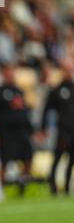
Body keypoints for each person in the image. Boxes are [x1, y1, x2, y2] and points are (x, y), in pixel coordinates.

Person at [0, 64, 34, 194]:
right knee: (4, 161)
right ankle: (0, 189)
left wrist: (31, 130)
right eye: (8, 71)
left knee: (27, 159)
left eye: (12, 71)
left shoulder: (19, 91)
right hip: (6, 133)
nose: (10, 74)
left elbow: (25, 112)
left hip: (22, 132)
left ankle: (23, 185)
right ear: (3, 73)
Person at [39, 55, 74, 195]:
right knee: (58, 159)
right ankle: (52, 187)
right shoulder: (57, 90)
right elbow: (46, 110)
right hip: (63, 132)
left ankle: (66, 188)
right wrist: (43, 128)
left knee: (71, 161)